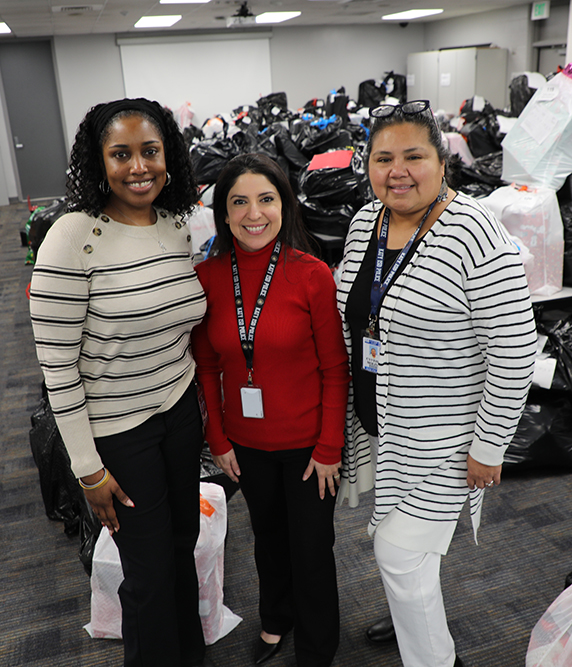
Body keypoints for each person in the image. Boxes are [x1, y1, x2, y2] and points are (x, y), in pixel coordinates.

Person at [335, 100, 538, 667]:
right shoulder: (364, 223)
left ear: (441, 161)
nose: (396, 171)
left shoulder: (474, 229)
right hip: (385, 422)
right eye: (383, 158)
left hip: (445, 434)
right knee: (408, 554)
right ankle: (411, 618)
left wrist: (489, 444)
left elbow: (515, 349)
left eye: (413, 156)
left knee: (398, 553)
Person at [29, 98, 208, 667]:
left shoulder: (176, 225)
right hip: (117, 432)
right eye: (121, 154)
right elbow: (56, 367)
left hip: (179, 412)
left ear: (168, 156)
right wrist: (87, 469)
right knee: (150, 571)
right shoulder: (72, 236)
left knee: (182, 548)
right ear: (97, 161)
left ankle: (190, 655)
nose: (139, 167)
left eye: (150, 151)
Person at [191, 153, 349, 666]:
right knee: (268, 541)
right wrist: (217, 440)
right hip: (246, 445)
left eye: (266, 199)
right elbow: (208, 366)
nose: (253, 213)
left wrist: (329, 448)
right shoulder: (208, 277)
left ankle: (318, 647)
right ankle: (276, 619)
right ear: (224, 212)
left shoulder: (311, 275)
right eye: (239, 201)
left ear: (284, 205)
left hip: (309, 447)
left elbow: (334, 369)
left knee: (311, 550)